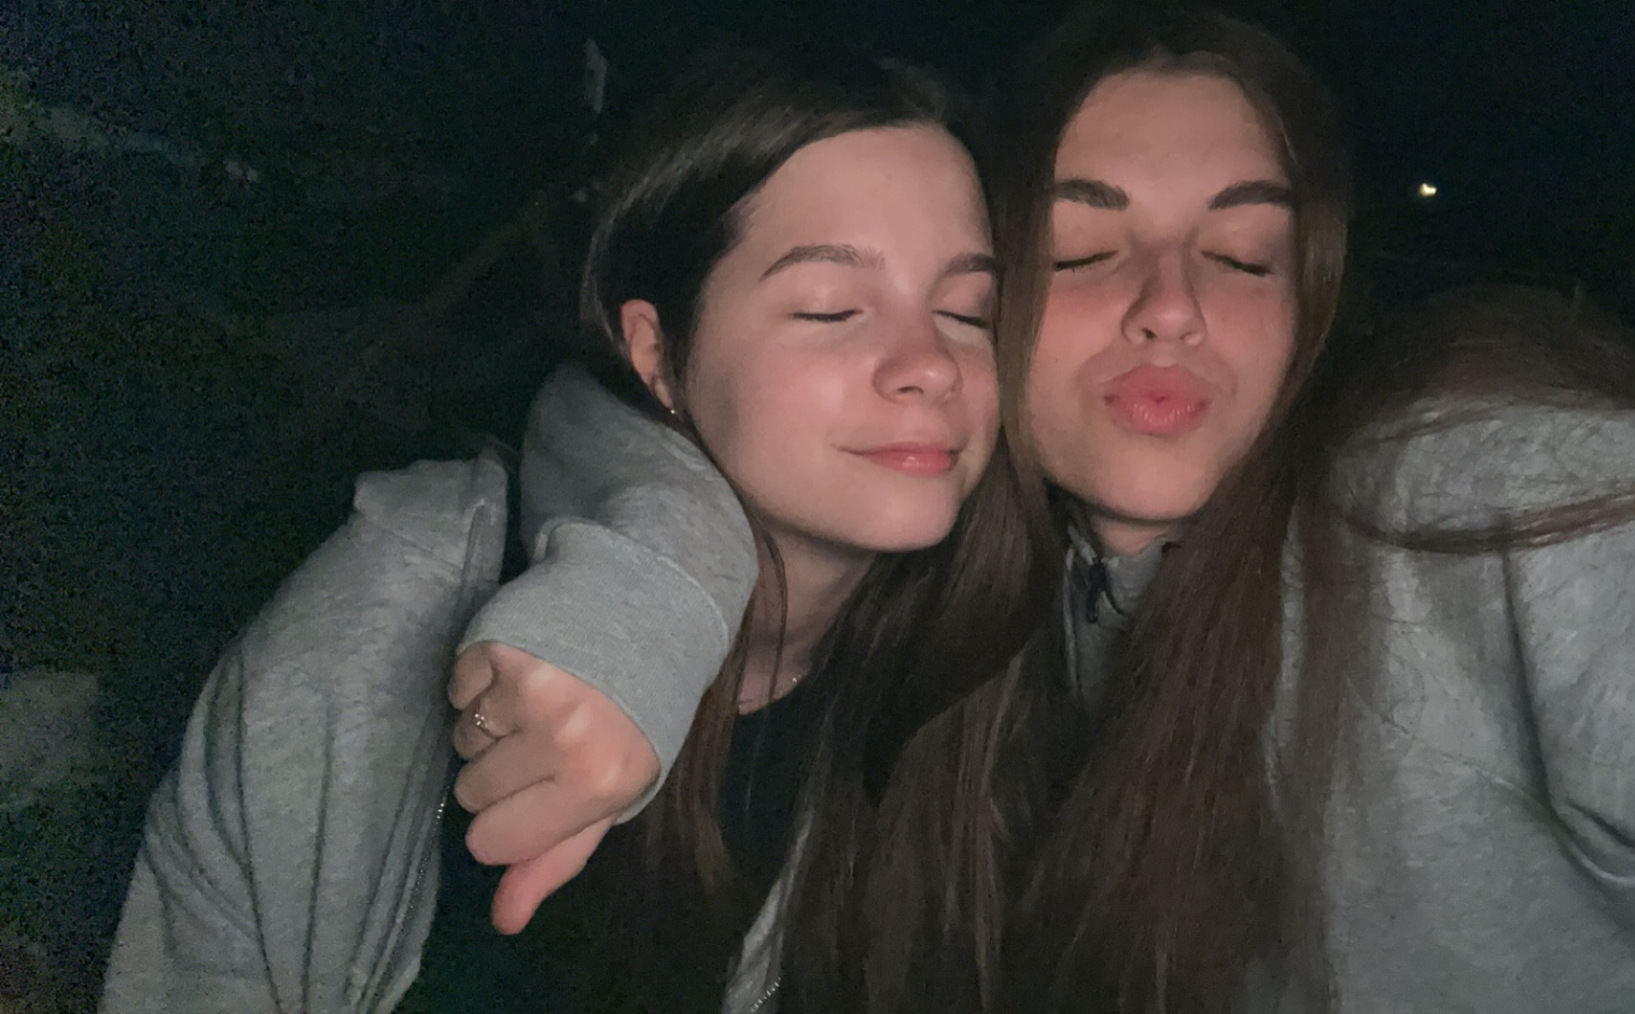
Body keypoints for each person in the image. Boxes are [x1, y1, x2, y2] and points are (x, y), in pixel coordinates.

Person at [464, 6, 1635, 1013]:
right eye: (1084, 248)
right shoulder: (961, 610)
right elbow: (612, 407)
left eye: (1243, 254)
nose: (1170, 305)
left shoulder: (1461, 504)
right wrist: (650, 572)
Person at [102, 44, 1042, 1014]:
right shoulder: (405, 585)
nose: (931, 363)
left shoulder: (981, 678)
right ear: (657, 354)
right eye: (831, 308)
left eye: (967, 311)